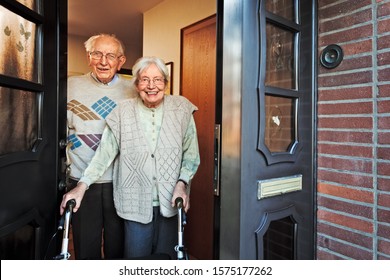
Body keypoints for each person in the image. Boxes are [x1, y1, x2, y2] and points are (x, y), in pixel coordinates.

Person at [61, 56, 200, 259]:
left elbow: (191, 155)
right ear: (136, 84)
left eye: (158, 79)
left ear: (166, 83)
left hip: (172, 201)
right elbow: (104, 154)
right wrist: (82, 186)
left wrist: (182, 183)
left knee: (167, 261)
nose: (151, 86)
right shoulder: (122, 112)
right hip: (134, 203)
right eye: (144, 79)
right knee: (135, 262)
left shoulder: (182, 108)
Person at [61, 33, 137, 259]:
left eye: (110, 56)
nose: (104, 61)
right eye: (97, 54)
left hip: (120, 181)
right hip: (81, 179)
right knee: (86, 248)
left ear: (121, 61)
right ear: (88, 57)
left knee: (118, 248)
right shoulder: (68, 86)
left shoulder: (133, 90)